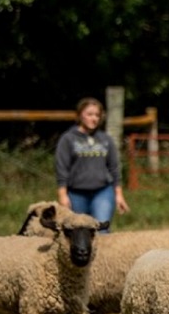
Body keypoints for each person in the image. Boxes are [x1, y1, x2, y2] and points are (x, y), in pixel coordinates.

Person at [55, 97, 129, 231]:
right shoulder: (68, 139)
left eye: (97, 115)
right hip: (76, 193)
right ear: (80, 115)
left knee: (101, 229)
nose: (94, 118)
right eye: (89, 114)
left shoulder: (105, 139)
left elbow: (114, 167)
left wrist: (118, 194)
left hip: (102, 191)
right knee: (79, 232)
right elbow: (62, 168)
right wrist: (62, 195)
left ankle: (103, 252)